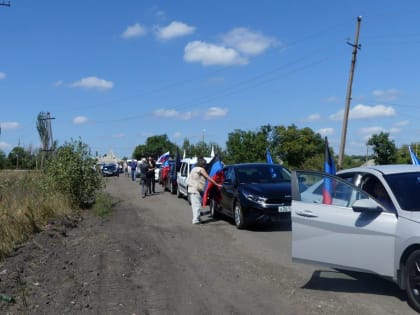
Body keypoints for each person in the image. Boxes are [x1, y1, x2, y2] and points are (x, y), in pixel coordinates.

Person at [187, 157, 222, 224]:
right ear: (202, 164)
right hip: (196, 189)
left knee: (195, 205)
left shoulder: (194, 168)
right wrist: (217, 184)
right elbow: (208, 178)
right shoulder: (201, 169)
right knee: (197, 205)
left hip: (191, 189)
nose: (206, 165)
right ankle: (196, 220)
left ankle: (197, 218)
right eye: (205, 164)